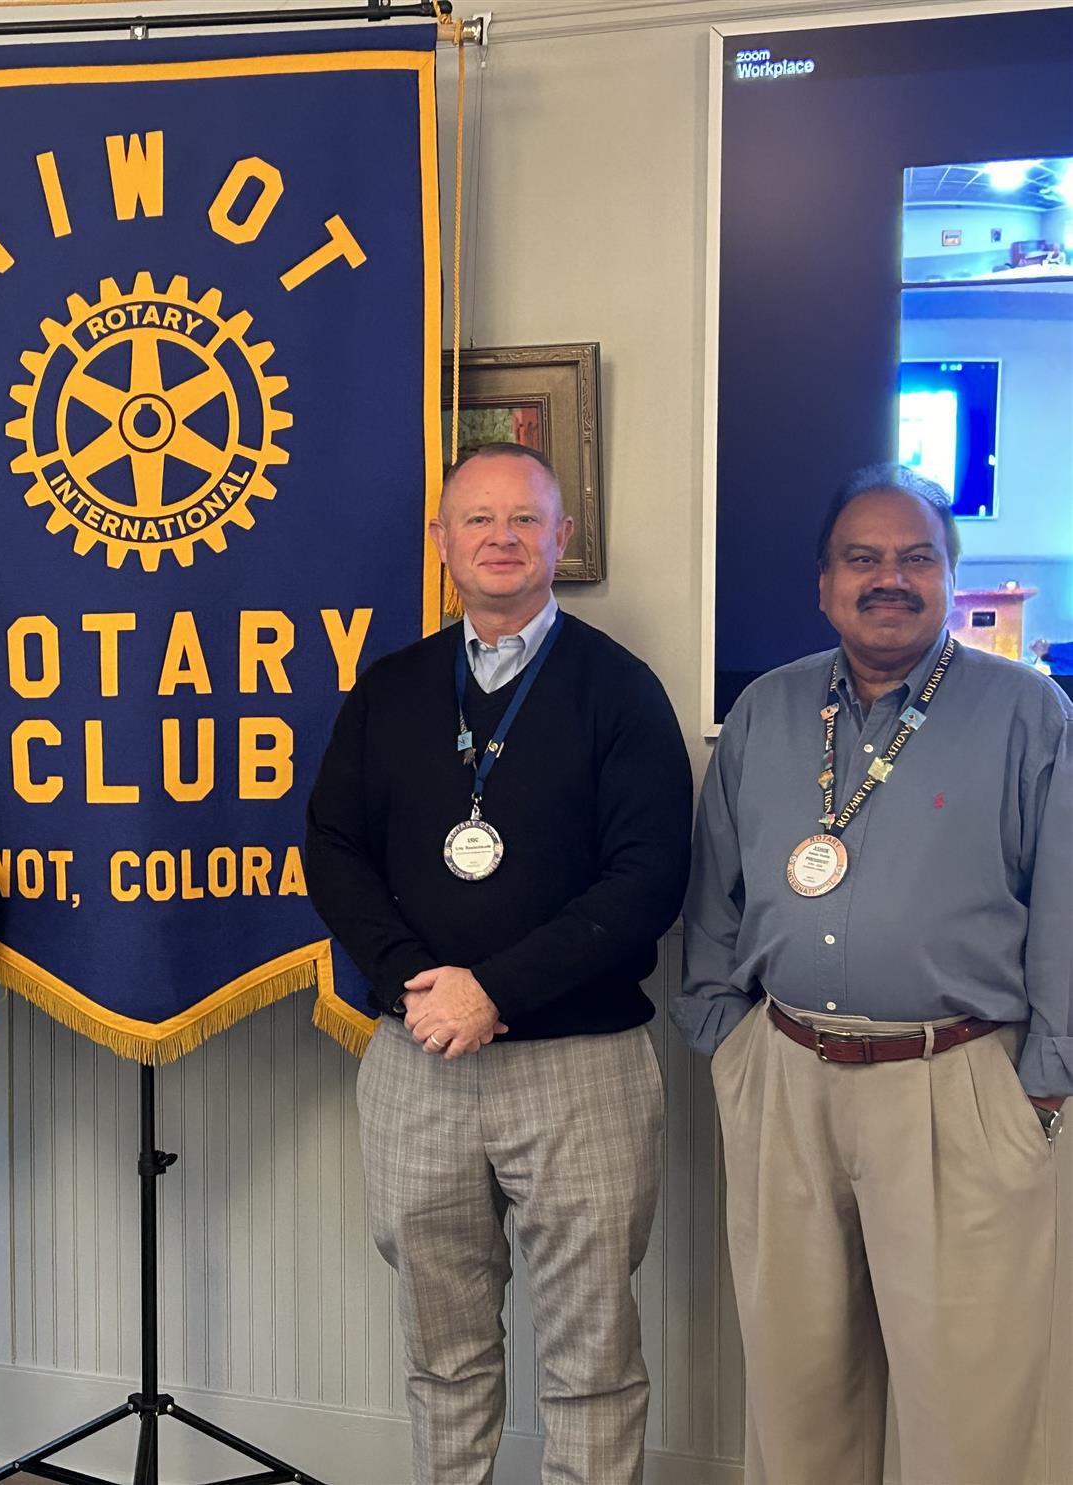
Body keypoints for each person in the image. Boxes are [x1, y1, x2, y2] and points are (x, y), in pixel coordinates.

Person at [305, 443, 691, 1484]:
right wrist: (413, 982)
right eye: (477, 519)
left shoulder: (621, 690)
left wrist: (496, 990)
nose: (502, 538)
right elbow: (332, 847)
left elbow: (649, 877)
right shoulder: (390, 688)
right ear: (441, 543)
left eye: (525, 519)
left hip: (582, 1070)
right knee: (444, 1353)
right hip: (417, 1056)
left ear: (562, 538)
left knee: (591, 1359)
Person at [676, 464, 1068, 1485]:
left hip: (959, 1085)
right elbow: (714, 889)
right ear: (824, 584)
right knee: (796, 1396)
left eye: (915, 559)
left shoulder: (1029, 713)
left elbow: (1067, 903)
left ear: (949, 578)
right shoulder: (766, 710)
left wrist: (1042, 1083)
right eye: (863, 558)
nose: (889, 578)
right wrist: (727, 1042)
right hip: (785, 1079)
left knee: (969, 1412)